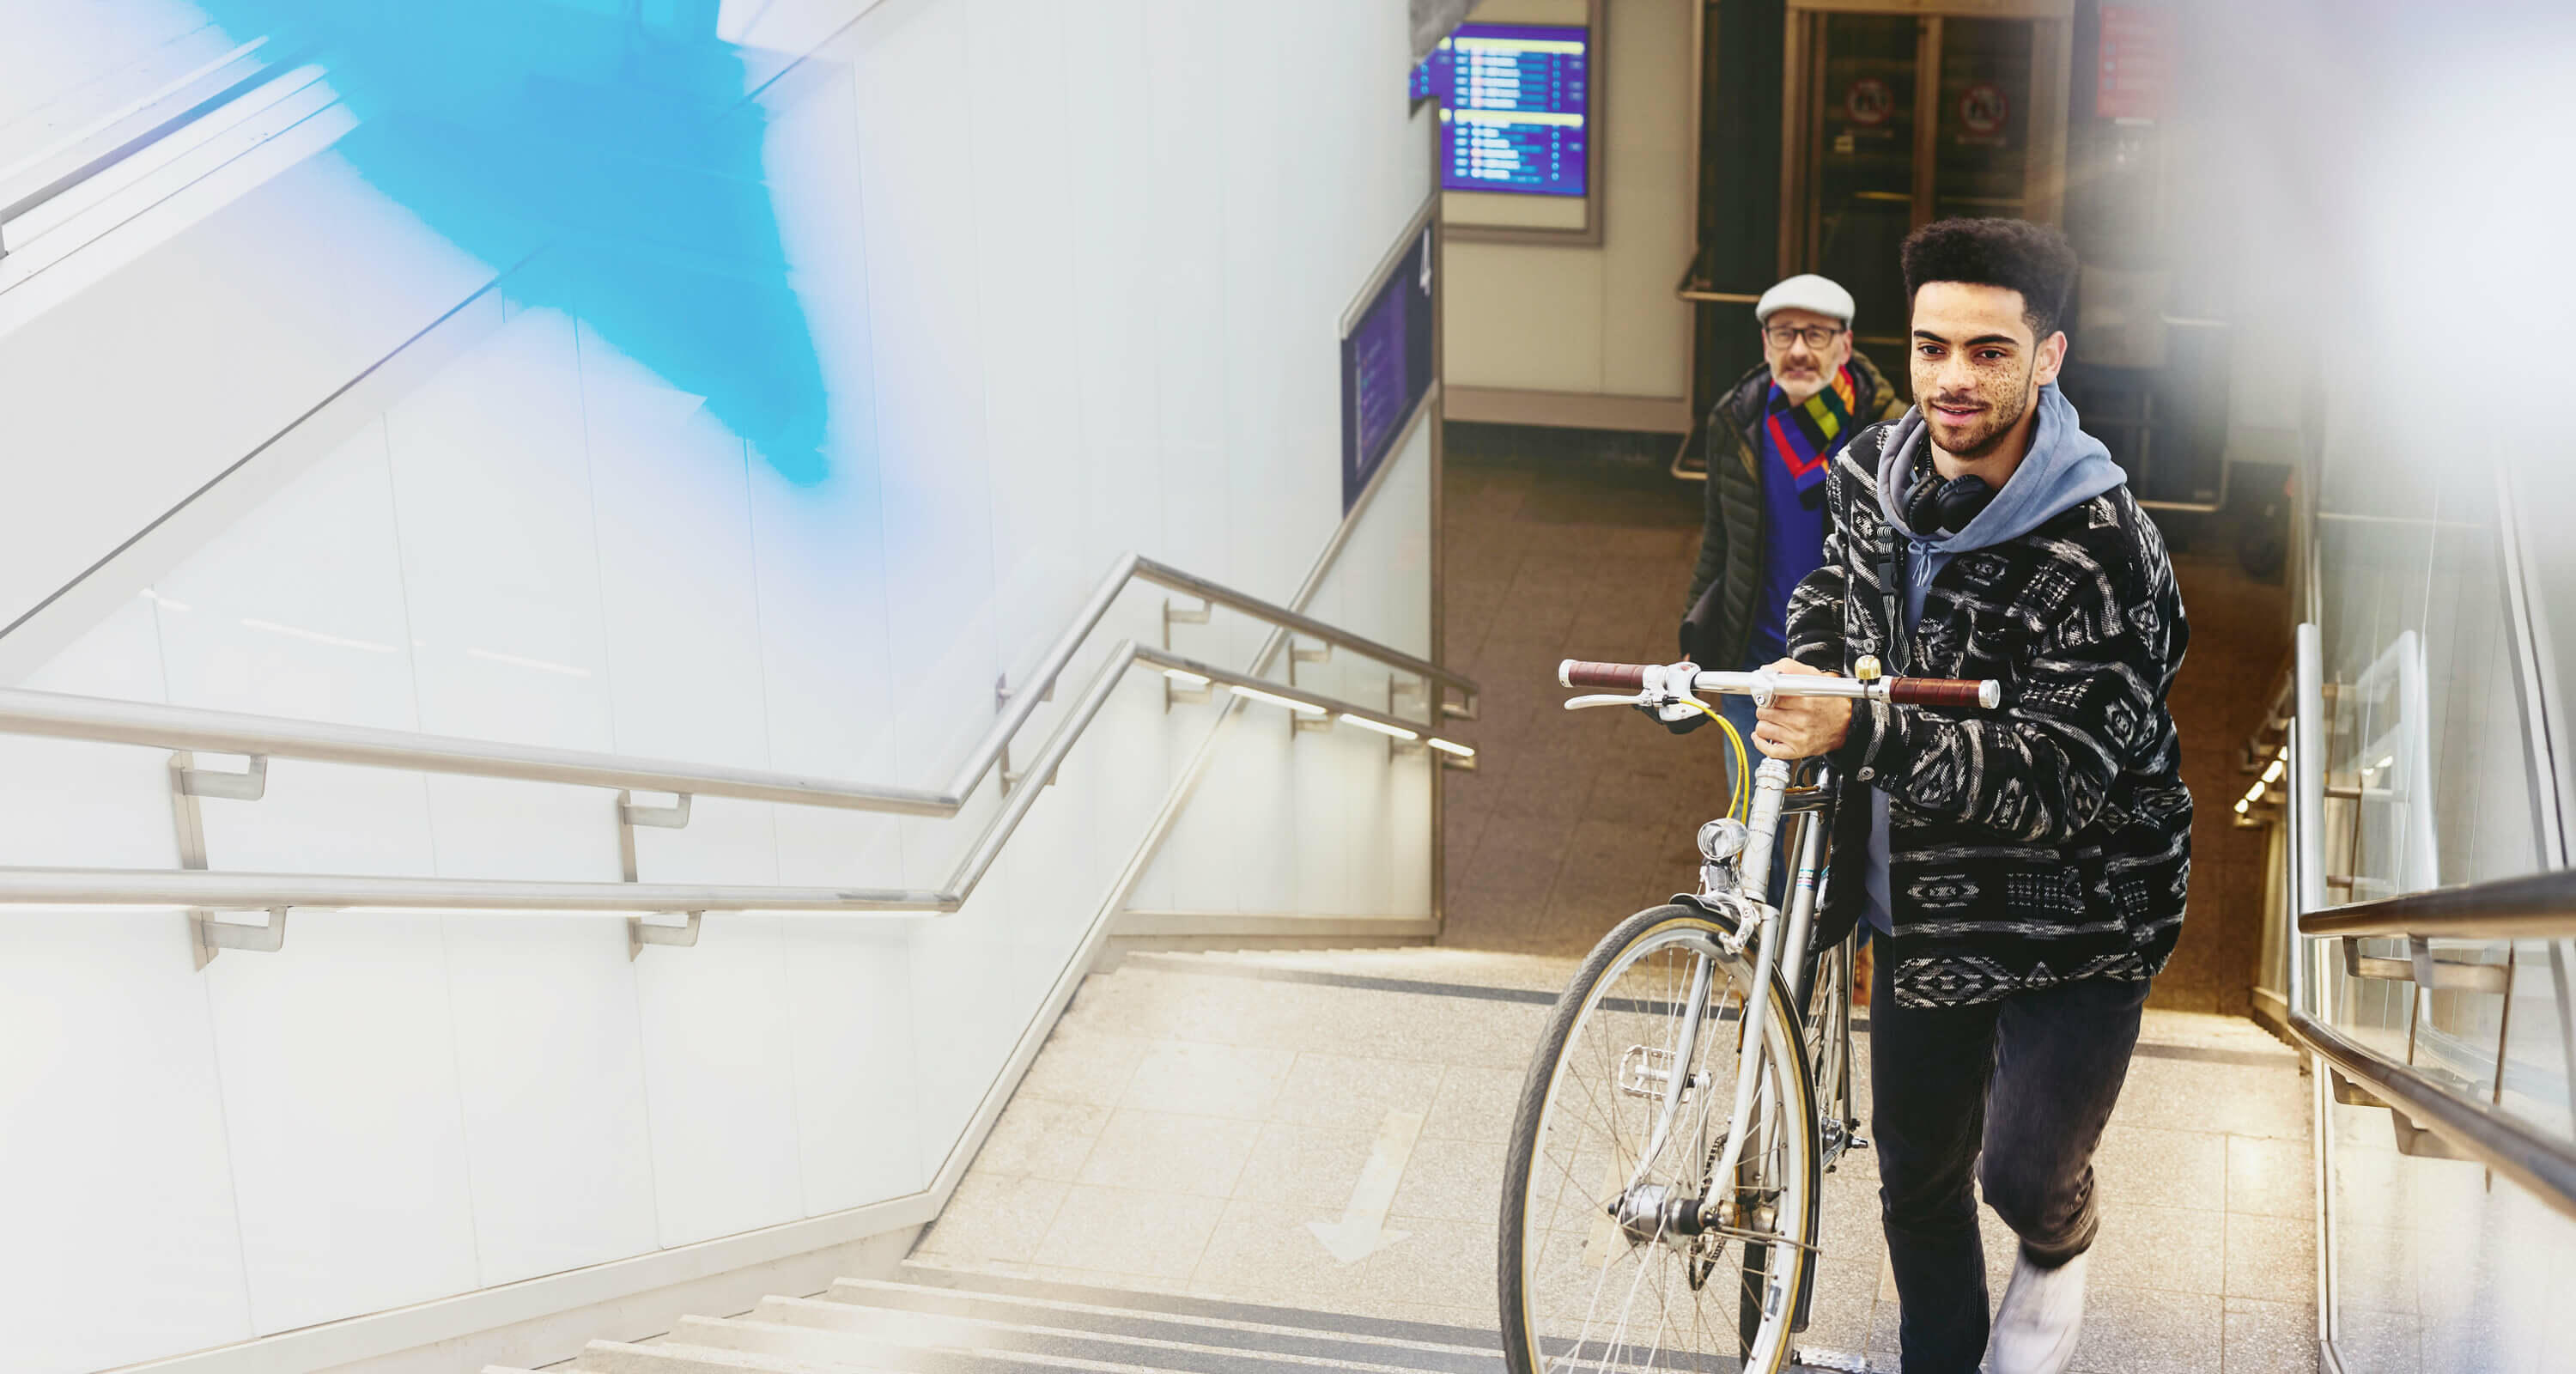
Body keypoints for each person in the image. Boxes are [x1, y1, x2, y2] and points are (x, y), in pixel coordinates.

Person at [1747, 219, 2191, 1374]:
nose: (1952, 377)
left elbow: (2059, 783)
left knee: (2023, 1172)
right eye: (1934, 346)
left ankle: (2061, 1238)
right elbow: (1834, 596)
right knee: (1919, 1181)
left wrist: (1868, 726)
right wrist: (1804, 664)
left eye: (1990, 351)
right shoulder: (1867, 475)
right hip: (1926, 914)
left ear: (2048, 357)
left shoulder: (2103, 550)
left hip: (2077, 922)